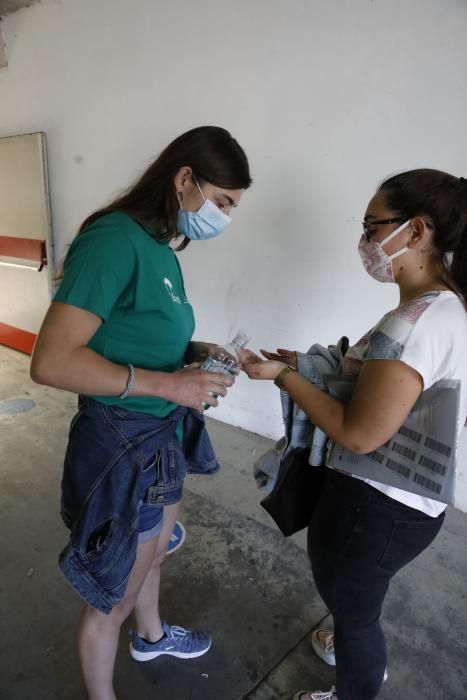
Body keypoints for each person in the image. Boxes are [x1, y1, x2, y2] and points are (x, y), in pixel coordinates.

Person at [30, 125, 252, 700]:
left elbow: (139, 336)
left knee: (153, 552)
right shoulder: (114, 240)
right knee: (113, 594)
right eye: (224, 201)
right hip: (119, 438)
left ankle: (151, 637)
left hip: (160, 433)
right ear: (185, 180)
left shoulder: (161, 247)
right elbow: (52, 361)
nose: (226, 217)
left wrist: (199, 355)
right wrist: (168, 385)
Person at [243, 169, 467, 700]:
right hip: (413, 505)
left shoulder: (409, 323)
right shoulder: (449, 308)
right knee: (360, 600)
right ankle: (353, 638)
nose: (364, 242)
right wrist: (308, 364)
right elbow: (391, 391)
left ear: (415, 232)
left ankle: (355, 682)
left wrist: (284, 377)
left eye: (372, 227)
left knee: (355, 614)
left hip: (372, 506)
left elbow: (360, 434)